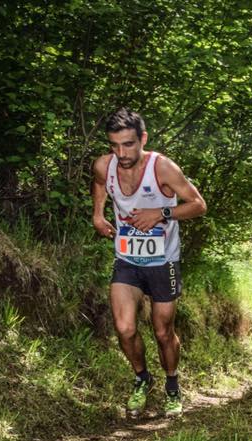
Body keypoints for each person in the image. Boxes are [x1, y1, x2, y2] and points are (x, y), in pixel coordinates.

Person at [91, 107, 206, 416]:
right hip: (127, 258)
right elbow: (100, 184)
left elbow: (198, 205)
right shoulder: (104, 165)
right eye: (114, 145)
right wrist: (98, 214)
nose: (121, 152)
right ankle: (142, 379)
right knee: (125, 328)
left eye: (128, 144)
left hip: (163, 261)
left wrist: (161, 213)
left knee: (162, 331)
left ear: (142, 138)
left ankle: (172, 385)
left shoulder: (163, 168)